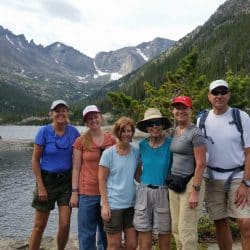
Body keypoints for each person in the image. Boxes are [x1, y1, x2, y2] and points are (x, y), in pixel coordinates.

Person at [198, 79, 250, 250]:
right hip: (212, 177)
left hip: (238, 177)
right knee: (220, 222)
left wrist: (246, 183)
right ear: (209, 96)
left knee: (245, 223)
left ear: (229, 95)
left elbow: (249, 153)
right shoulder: (202, 120)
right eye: (215, 93)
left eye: (223, 92)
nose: (219, 96)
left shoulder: (241, 117)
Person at [29, 100, 80, 250]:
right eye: (57, 111)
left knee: (64, 224)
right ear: (51, 114)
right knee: (39, 225)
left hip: (66, 182)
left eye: (63, 110)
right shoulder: (43, 132)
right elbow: (35, 160)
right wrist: (41, 186)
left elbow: (84, 148)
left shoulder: (74, 132)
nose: (60, 113)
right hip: (47, 180)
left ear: (67, 113)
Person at [69, 105, 116, 250]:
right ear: (85, 121)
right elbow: (76, 168)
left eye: (95, 116)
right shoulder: (81, 141)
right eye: (89, 118)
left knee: (106, 234)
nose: (93, 120)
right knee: (86, 234)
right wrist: (74, 192)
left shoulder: (111, 140)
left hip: (108, 194)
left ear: (100, 117)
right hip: (87, 193)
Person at [168, 96, 206, 250]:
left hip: (191, 183)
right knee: (176, 228)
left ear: (191, 110)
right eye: (177, 108)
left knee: (187, 230)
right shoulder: (175, 131)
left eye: (184, 108)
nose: (180, 111)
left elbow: (201, 163)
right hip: (175, 182)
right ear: (173, 111)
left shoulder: (195, 133)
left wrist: (195, 191)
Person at [98, 116, 140, 250]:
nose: (126, 134)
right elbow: (101, 179)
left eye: (129, 131)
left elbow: (138, 176)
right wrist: (105, 205)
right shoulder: (108, 154)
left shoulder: (135, 152)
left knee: (132, 244)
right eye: (123, 131)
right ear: (117, 132)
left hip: (131, 205)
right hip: (113, 205)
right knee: (114, 245)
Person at [133, 108, 172, 250]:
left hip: (164, 192)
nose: (154, 126)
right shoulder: (142, 145)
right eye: (150, 123)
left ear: (162, 124)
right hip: (144, 192)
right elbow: (136, 172)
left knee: (165, 241)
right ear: (146, 127)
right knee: (144, 243)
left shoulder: (171, 144)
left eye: (157, 123)